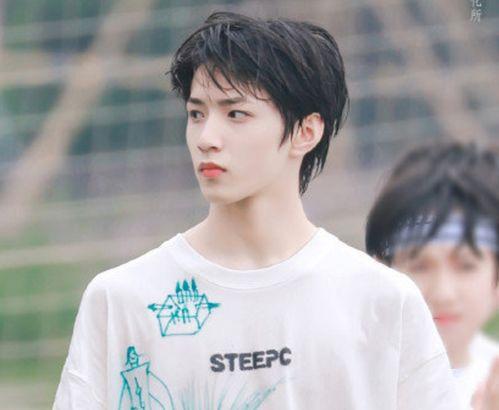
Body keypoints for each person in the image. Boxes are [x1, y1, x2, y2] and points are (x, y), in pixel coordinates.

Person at [53, 12, 462, 409]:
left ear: (306, 131)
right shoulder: (123, 299)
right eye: (196, 114)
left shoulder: (380, 300)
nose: (206, 138)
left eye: (236, 114)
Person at [365, 141, 499, 408]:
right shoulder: (351, 381)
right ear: (380, 268)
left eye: (466, 265)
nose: (443, 293)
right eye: (420, 265)